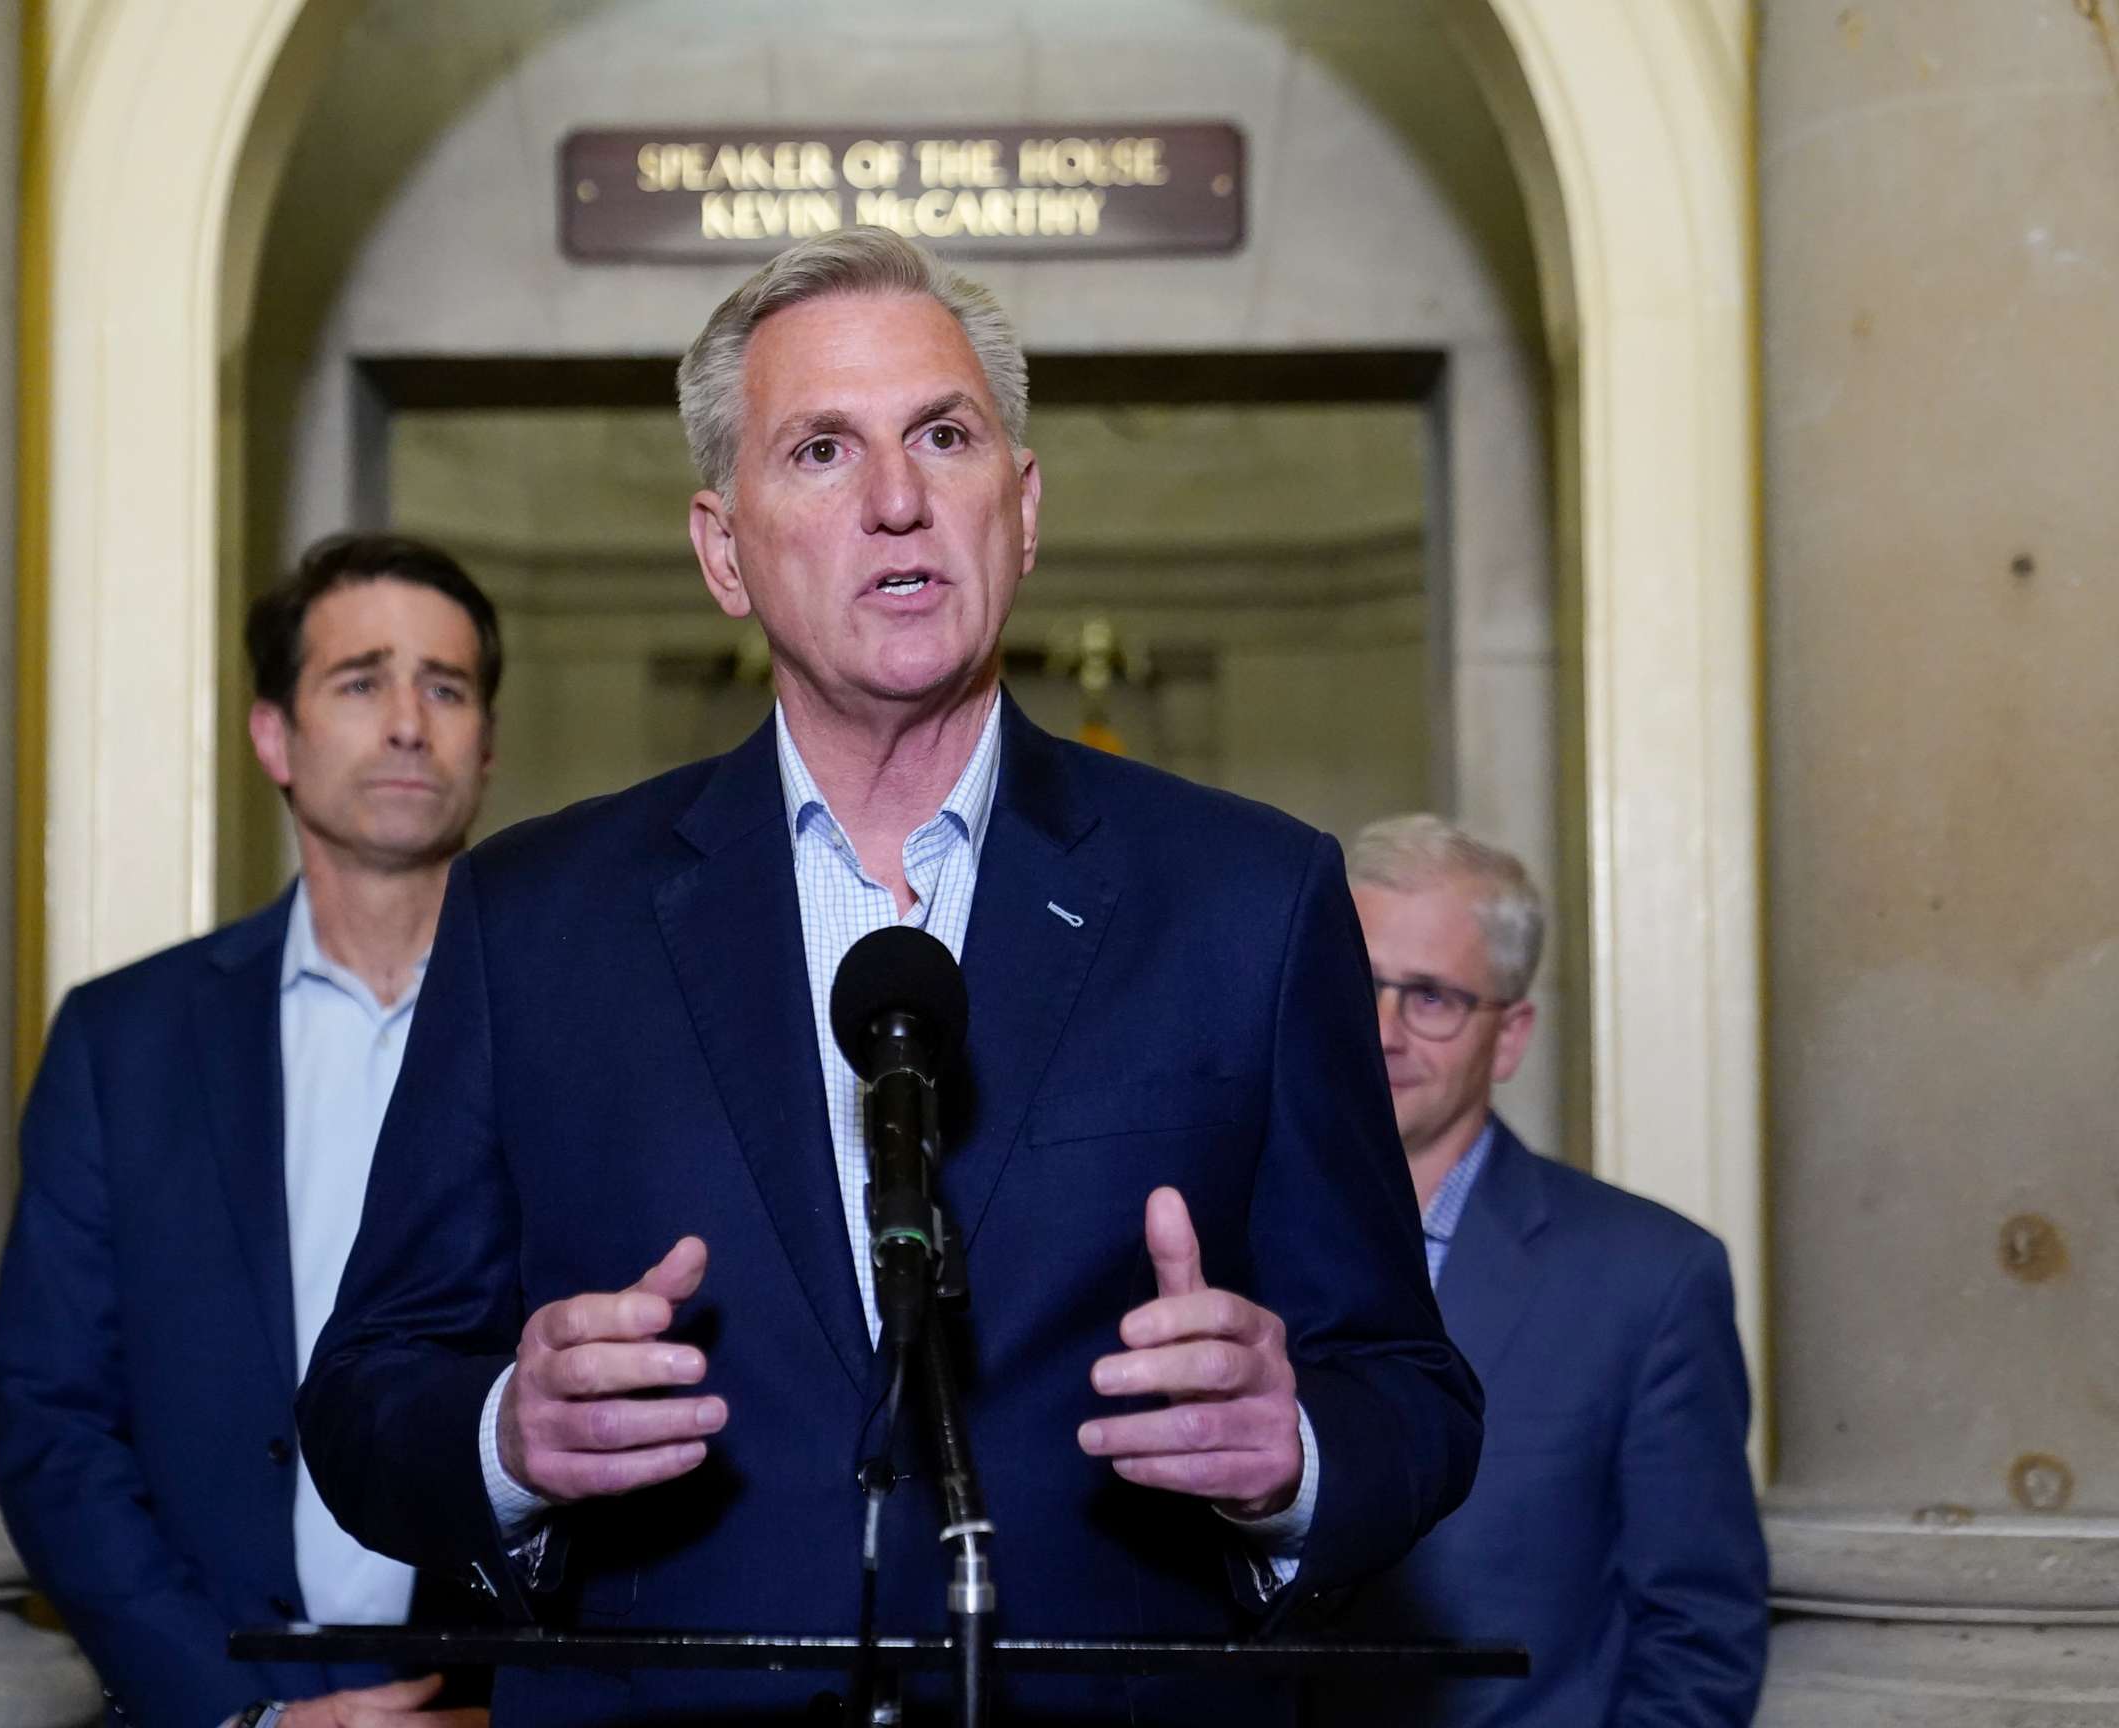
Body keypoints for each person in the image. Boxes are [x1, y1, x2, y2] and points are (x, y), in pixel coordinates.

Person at [296, 229, 1482, 1726]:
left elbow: (1411, 1389)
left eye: (944, 434)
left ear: (1025, 506)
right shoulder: (535, 920)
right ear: (724, 551)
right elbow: (365, 1394)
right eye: (820, 451)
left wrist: (1294, 1453)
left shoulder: (1251, 900)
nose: (900, 500)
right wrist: (505, 1435)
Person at [0, 534, 504, 1728]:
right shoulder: (126, 1043)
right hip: (215, 1694)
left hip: (496, 1702)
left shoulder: (582, 1026)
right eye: (361, 680)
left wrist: (525, 1697)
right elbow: (54, 1420)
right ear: (275, 736)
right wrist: (236, 1714)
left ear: (486, 745)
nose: (410, 723)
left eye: (447, 685)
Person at [1321, 814, 1767, 1726]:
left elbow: (1698, 1637)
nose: (1385, 1030)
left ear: (1511, 1036)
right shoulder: (1214, 1242)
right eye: (1357, 984)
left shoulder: (1650, 1282)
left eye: (1433, 997)